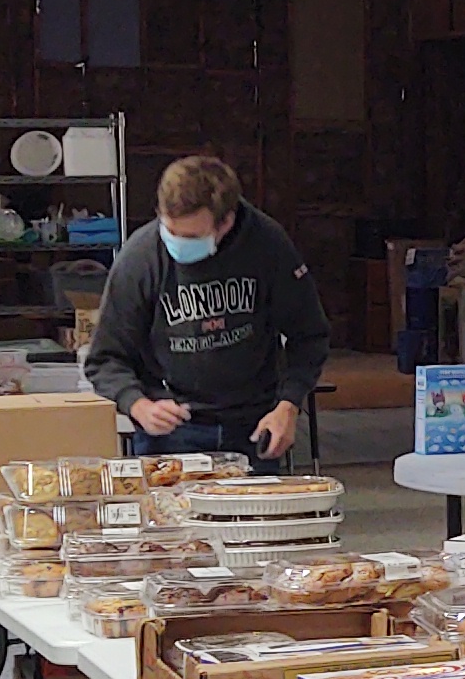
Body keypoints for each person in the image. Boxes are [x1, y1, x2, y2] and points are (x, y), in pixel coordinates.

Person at [84, 155, 330, 471]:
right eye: (169, 231)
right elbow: (104, 357)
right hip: (171, 429)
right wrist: (138, 404)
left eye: (190, 237)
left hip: (253, 424)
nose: (177, 243)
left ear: (225, 222)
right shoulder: (141, 257)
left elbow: (309, 335)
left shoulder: (268, 245)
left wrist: (289, 404)